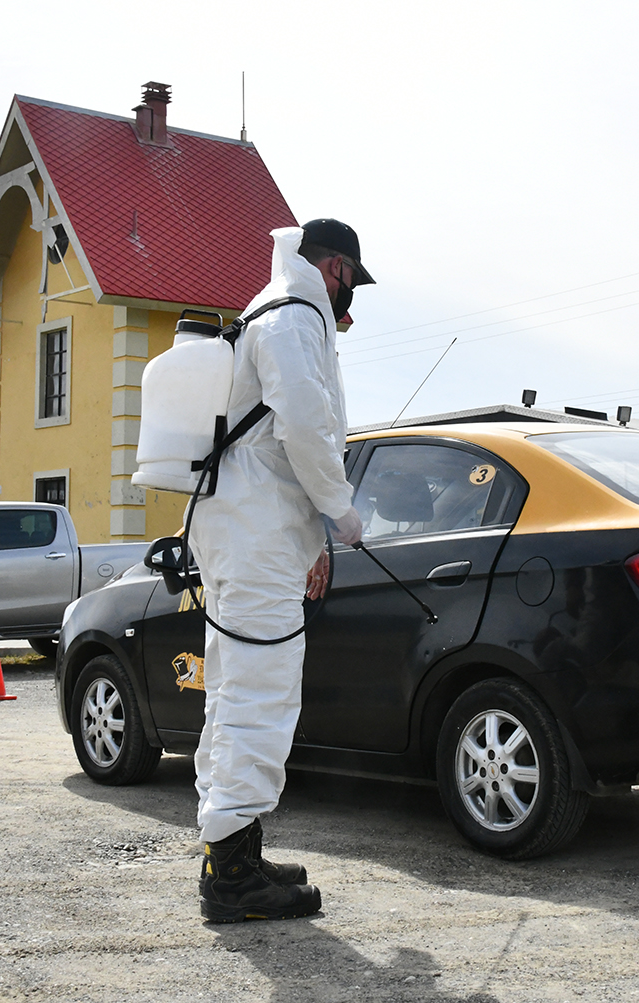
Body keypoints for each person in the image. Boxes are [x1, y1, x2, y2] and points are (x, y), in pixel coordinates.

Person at [189, 218, 371, 923]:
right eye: (351, 282)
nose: (351, 301)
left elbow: (274, 436)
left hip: (247, 528)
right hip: (256, 532)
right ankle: (232, 880)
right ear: (336, 269)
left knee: (236, 690)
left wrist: (313, 540)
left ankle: (233, 849)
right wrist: (340, 510)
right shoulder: (295, 317)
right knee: (257, 696)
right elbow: (303, 424)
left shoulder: (270, 310)